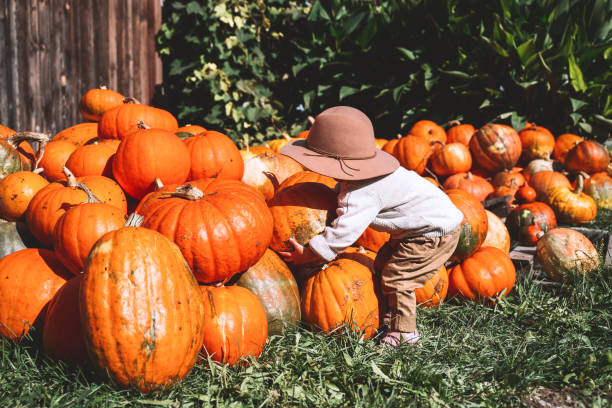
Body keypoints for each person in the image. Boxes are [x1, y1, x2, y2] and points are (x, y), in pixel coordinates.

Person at [278, 106, 463, 347]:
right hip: (424, 225)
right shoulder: (366, 179)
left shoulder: (360, 193)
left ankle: (405, 334)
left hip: (433, 232)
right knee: (383, 264)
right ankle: (391, 316)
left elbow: (343, 234)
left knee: (398, 277)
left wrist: (310, 253)